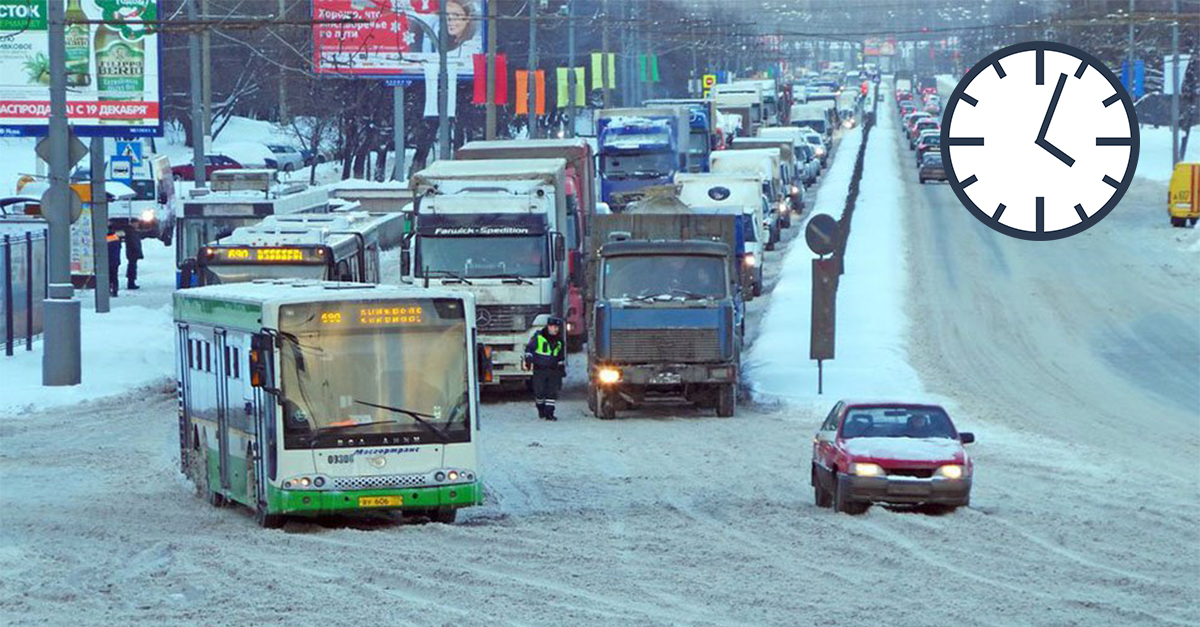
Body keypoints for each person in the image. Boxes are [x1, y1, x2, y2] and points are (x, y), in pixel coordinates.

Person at [523, 317, 566, 421]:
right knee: (539, 392)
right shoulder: (538, 337)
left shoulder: (559, 341)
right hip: (539, 369)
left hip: (553, 370)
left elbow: (560, 357)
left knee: (552, 392)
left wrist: (561, 368)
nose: (555, 329)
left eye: (557, 327)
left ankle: (549, 413)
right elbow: (529, 349)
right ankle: (540, 408)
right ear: (548, 327)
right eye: (553, 327)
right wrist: (528, 359)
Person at [105, 228, 122, 297]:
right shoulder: (116, 238)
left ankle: (108, 290)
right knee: (114, 276)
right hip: (115, 261)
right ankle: (115, 291)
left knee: (108, 277)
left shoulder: (105, 239)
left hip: (107, 260)